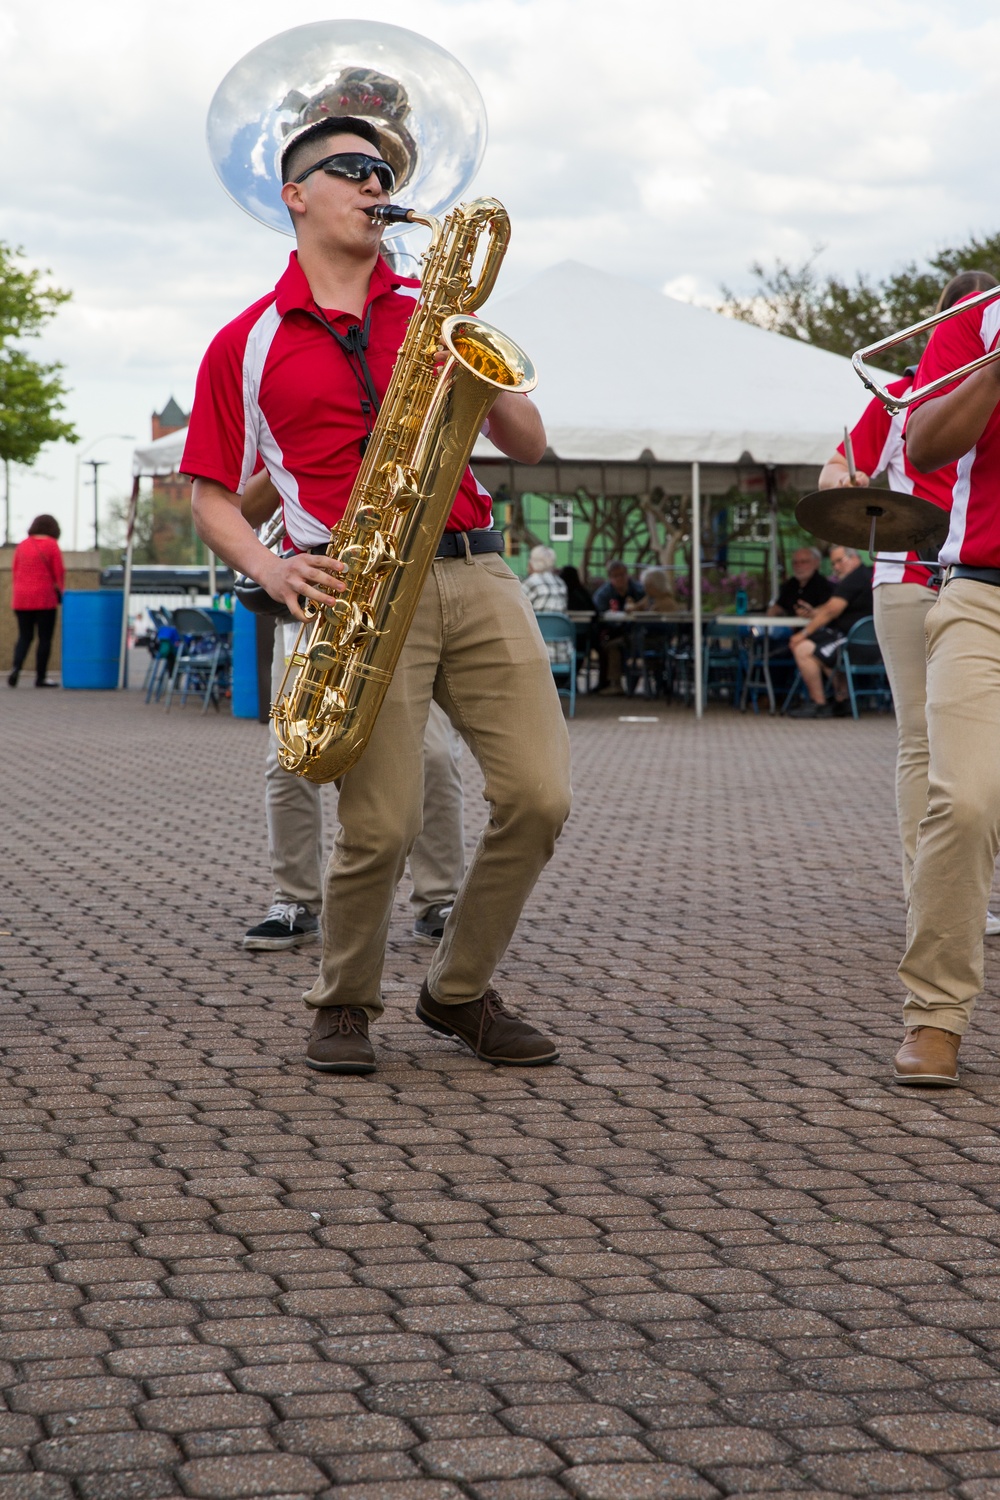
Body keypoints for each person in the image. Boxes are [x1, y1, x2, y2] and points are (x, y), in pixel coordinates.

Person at [183, 114, 571, 1075]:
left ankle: (458, 991)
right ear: (296, 195)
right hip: (355, 585)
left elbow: (527, 445)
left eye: (385, 171)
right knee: (384, 824)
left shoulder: (430, 310)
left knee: (540, 796)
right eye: (353, 169)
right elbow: (208, 493)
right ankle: (346, 1000)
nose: (376, 184)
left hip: (474, 565)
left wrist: (468, 334)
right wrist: (270, 569)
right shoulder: (246, 340)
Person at [816, 270, 1000, 927]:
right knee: (923, 739)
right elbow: (834, 471)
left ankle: (961, 884)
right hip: (911, 580)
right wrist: (851, 478)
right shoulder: (898, 401)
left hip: (972, 574)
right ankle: (931, 895)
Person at [238, 484, 467, 953]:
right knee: (290, 761)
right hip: (316, 605)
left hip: (402, 602)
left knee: (437, 756)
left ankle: (438, 900)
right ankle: (295, 901)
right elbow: (240, 508)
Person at [884, 273, 1000, 1085]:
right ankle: (936, 1015)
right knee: (959, 800)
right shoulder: (978, 319)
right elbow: (924, 446)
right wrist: (995, 366)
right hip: (983, 595)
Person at [786, 545, 873, 718]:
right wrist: (814, 613)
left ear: (854, 557)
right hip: (869, 643)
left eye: (840, 561)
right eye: (833, 564)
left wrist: (802, 634)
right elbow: (833, 608)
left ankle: (818, 703)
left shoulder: (853, 579)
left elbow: (832, 610)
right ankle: (843, 699)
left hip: (853, 644)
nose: (836, 567)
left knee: (803, 648)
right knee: (823, 649)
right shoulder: (867, 575)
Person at [8, 515, 64, 688]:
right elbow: (59, 572)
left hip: (21, 598)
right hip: (44, 599)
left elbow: (15, 569)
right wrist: (61, 592)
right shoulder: (52, 545)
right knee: (44, 638)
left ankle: (16, 668)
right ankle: (41, 677)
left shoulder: (23, 545)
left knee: (24, 636)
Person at [593, 560, 643, 692]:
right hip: (612, 632)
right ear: (610, 578)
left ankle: (625, 685)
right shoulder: (603, 594)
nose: (620, 579)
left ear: (627, 575)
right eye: (616, 576)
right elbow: (598, 614)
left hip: (636, 631)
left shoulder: (638, 590)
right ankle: (615, 684)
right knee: (612, 646)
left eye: (622, 575)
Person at [767, 547, 833, 619]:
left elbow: (829, 608)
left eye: (803, 562)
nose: (798, 566)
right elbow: (779, 607)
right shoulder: (790, 584)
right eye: (795, 563)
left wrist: (813, 612)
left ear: (816, 563)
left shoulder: (824, 585)